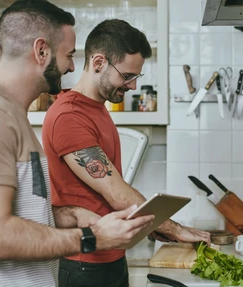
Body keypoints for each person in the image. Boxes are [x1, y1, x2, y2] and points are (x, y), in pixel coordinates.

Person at [0, 1, 154, 287]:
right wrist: (92, 239)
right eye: (68, 55)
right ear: (42, 51)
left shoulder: (11, 115)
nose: (72, 66)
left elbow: (21, 214)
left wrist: (72, 215)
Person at [42, 19, 211, 287]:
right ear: (98, 63)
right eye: (127, 76)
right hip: (85, 264)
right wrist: (176, 229)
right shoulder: (69, 116)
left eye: (136, 77)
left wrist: (153, 227)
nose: (132, 86)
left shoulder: (95, 108)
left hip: (110, 256)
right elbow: (115, 191)